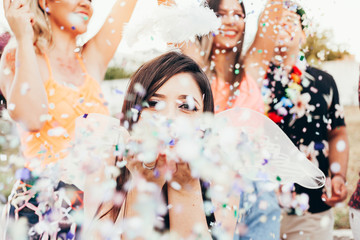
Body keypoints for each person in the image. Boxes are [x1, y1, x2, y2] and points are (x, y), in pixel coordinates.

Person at [0, 0, 137, 238]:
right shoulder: (18, 54)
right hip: (38, 211)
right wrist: (23, 37)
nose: (86, 3)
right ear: (45, 3)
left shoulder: (91, 59)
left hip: (94, 210)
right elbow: (32, 119)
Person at [182, 0, 285, 238]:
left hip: (258, 194)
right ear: (205, 19)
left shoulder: (253, 68)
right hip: (211, 191)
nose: (231, 20)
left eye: (238, 14)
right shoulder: (198, 71)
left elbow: (274, 11)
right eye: (221, 14)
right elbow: (168, 10)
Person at [84, 51, 215, 239]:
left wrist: (186, 185)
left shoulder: (221, 177)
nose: (169, 117)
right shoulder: (108, 165)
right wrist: (143, 185)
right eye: (154, 103)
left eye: (186, 106)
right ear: (134, 114)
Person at [261, 4, 349, 239]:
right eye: (275, 22)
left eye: (290, 22)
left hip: (311, 207)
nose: (282, 27)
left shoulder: (323, 81)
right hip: (258, 206)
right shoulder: (252, 80)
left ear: (304, 32)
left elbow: (338, 133)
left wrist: (338, 176)